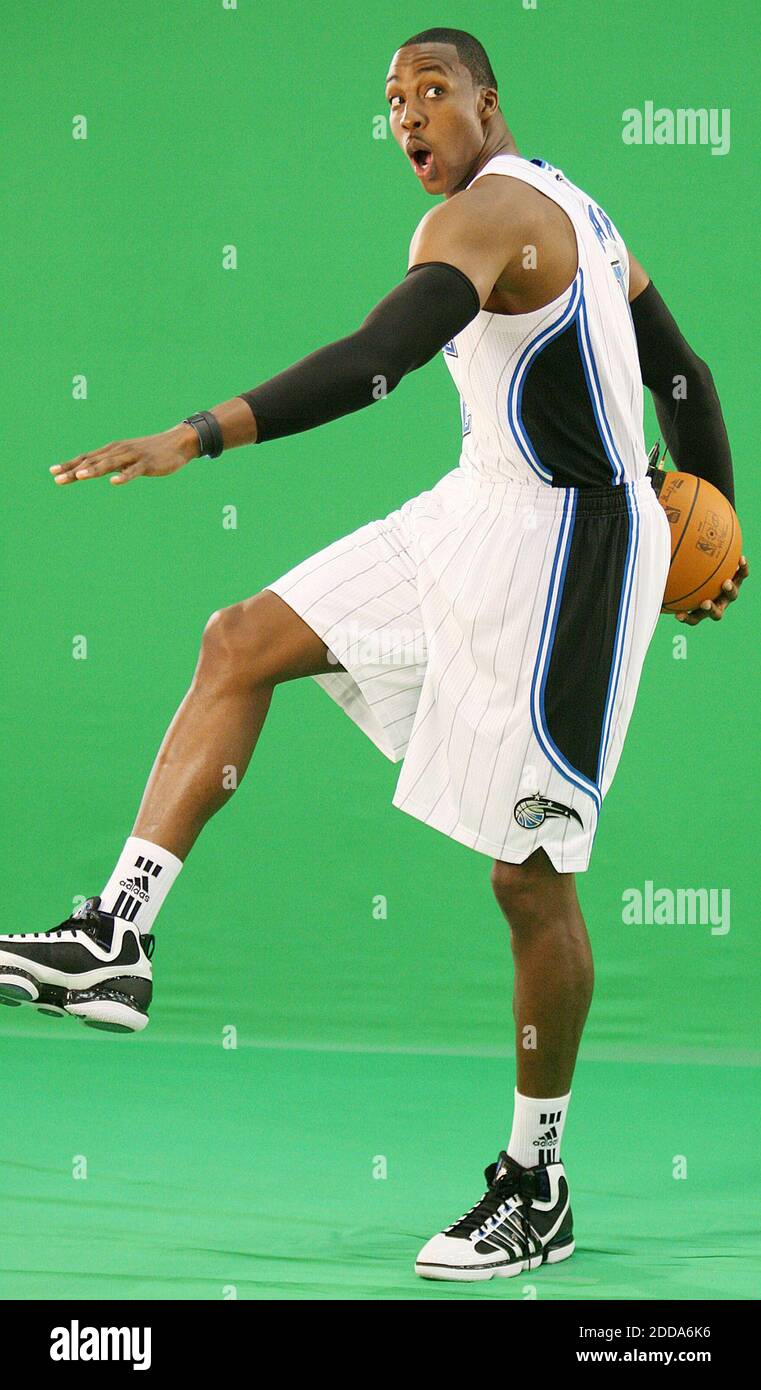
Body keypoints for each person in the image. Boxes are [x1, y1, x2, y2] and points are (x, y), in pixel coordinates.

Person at [0, 28, 746, 1281]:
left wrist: (204, 431)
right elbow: (685, 373)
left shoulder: (498, 215)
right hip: (477, 503)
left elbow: (376, 360)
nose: (407, 115)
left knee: (527, 876)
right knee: (239, 641)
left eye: (432, 91)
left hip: (579, 553)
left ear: (487, 102)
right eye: (392, 100)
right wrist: (719, 507)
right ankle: (114, 939)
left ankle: (535, 1179)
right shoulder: (575, 203)